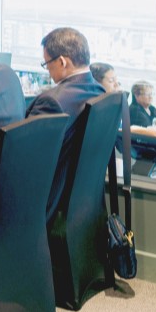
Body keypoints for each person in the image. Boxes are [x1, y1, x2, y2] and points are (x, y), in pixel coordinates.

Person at [26, 27, 106, 217]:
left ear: (62, 61)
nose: (48, 71)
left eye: (47, 64)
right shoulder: (100, 93)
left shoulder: (53, 101)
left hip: (48, 206)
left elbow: (26, 159)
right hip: (85, 205)